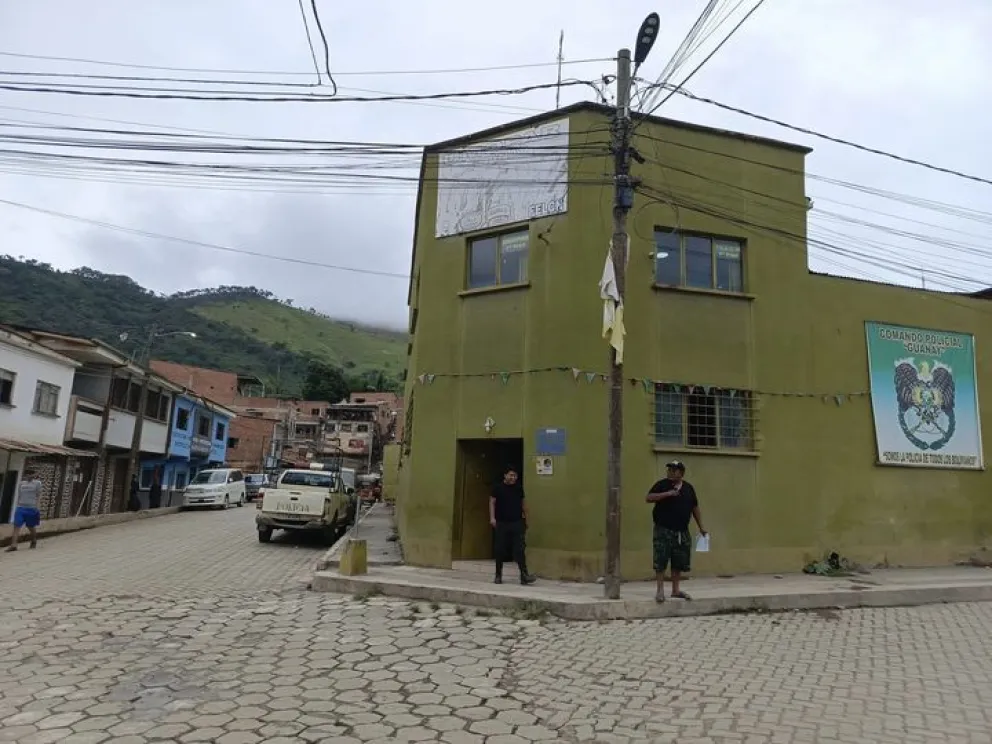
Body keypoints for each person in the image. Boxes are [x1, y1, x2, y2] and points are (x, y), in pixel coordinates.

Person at [646, 460, 707, 602]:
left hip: (681, 531)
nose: (671, 472)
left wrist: (701, 526)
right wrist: (667, 494)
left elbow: (695, 507)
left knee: (679, 560)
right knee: (661, 559)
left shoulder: (688, 488)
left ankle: (675, 589)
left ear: (681, 473)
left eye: (674, 470)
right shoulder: (662, 485)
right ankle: (660, 590)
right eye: (669, 470)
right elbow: (649, 498)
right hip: (663, 529)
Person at [489, 466, 535, 585]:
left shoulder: (518, 489)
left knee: (519, 549)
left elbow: (523, 504)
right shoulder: (497, 488)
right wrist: (492, 518)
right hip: (501, 523)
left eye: (515, 475)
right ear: (505, 475)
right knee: (500, 549)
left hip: (516, 522)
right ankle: (498, 575)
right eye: (511, 475)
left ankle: (524, 575)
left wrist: (527, 519)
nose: (513, 477)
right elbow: (492, 502)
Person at [6, 467, 43, 552]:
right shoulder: (22, 484)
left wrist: (37, 507)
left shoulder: (37, 483)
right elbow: (19, 495)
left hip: (31, 508)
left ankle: (34, 540)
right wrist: (17, 505)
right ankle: (13, 545)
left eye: (31, 473)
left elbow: (39, 495)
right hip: (21, 508)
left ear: (34, 475)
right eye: (27, 474)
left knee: (30, 526)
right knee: (16, 525)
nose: (29, 475)